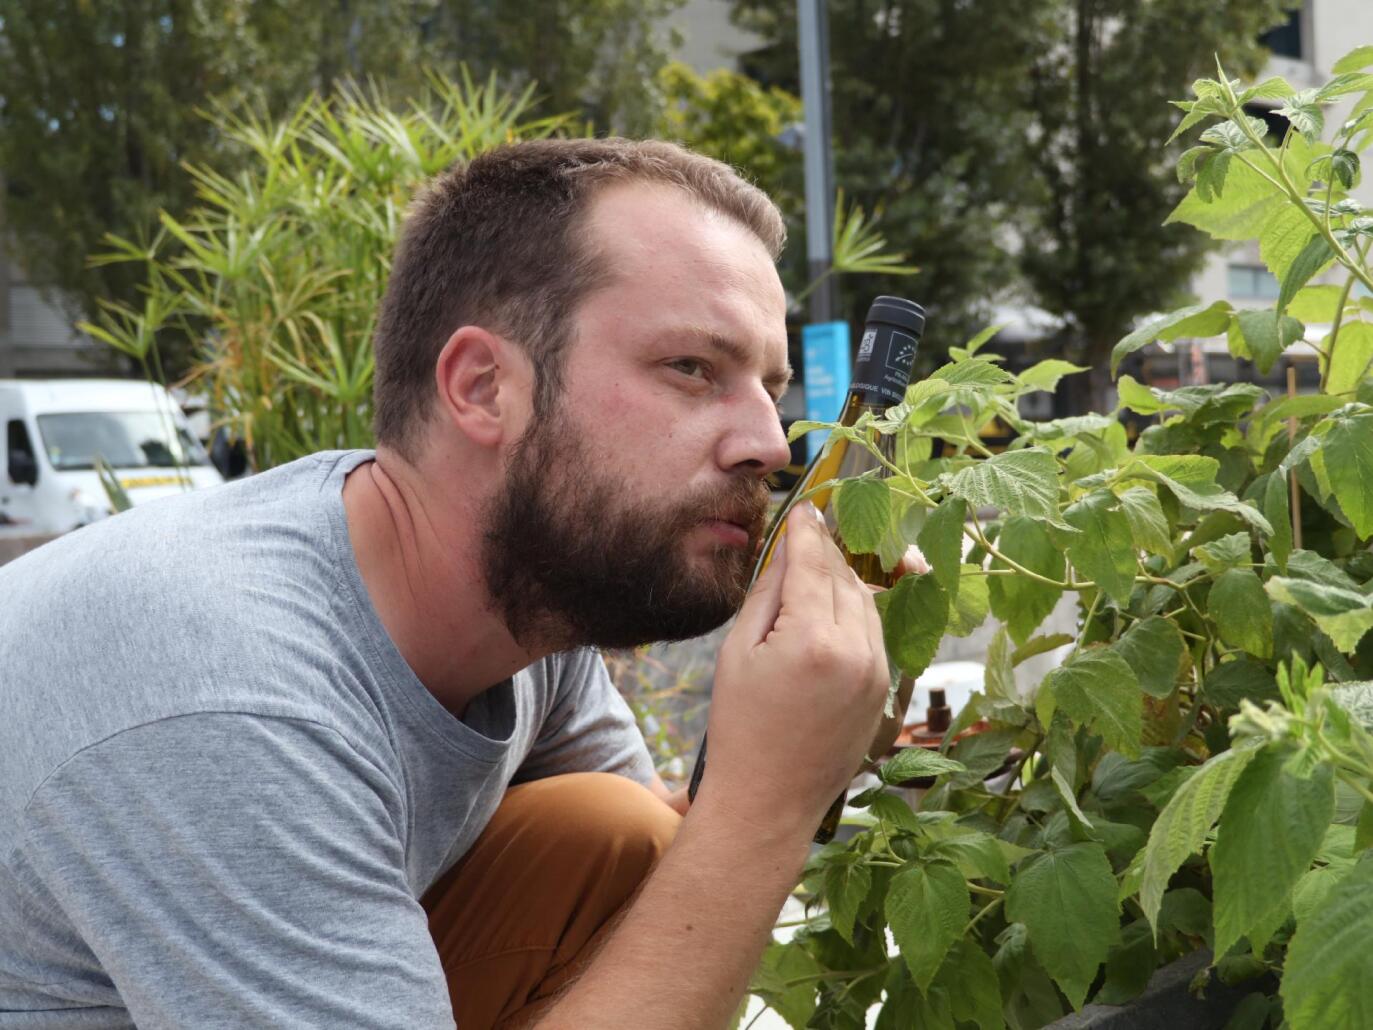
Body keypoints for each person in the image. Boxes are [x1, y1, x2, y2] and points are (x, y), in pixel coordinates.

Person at [0, 138, 896, 1028]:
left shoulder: (521, 587)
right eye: (692, 369)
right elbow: (725, 855)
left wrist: (802, 732)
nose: (772, 446)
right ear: (482, 387)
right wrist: (764, 808)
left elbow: (664, 886)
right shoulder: (227, 698)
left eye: (768, 387)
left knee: (618, 837)